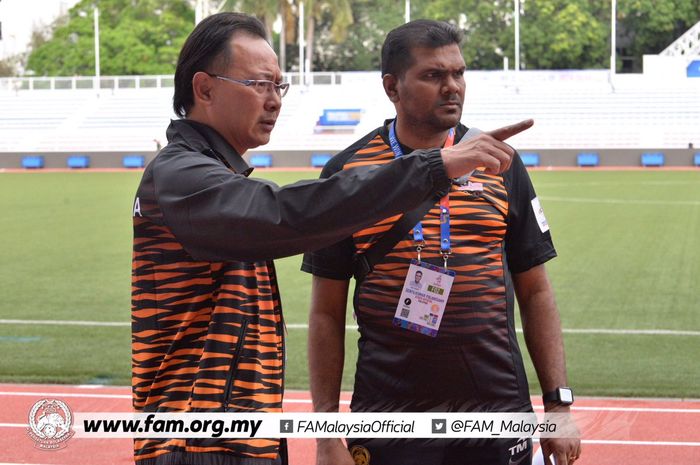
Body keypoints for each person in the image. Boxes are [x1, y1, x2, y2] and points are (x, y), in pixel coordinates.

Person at [131, 12, 532, 465]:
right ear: (204, 88)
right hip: (196, 441)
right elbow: (285, 214)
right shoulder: (180, 176)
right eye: (260, 84)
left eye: (278, 86)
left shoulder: (210, 174)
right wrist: (434, 168)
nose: (274, 100)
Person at [302, 19, 581, 465]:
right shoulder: (348, 172)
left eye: (459, 73)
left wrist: (558, 405)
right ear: (393, 87)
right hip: (387, 415)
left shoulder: (500, 162)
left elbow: (537, 291)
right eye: (433, 75)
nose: (452, 86)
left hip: (496, 411)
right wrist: (324, 433)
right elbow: (325, 313)